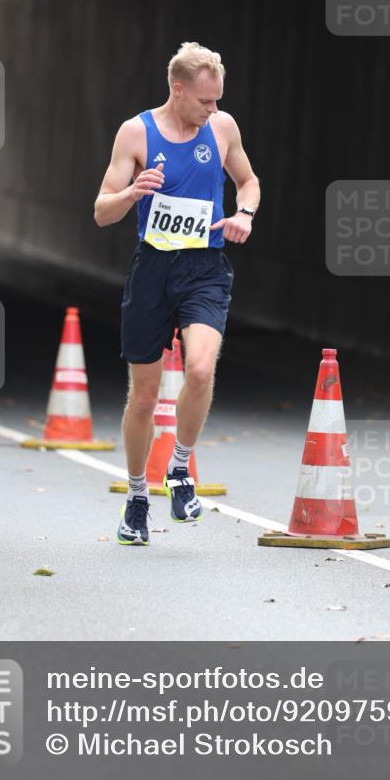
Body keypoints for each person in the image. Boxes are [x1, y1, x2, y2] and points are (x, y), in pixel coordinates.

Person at [94, 42, 260, 546]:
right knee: (144, 396)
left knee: (200, 368)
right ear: (178, 89)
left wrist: (244, 216)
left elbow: (248, 181)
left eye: (218, 101)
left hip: (205, 267)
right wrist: (131, 193)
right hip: (152, 271)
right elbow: (102, 210)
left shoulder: (223, 128)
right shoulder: (136, 132)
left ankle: (181, 468)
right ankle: (138, 498)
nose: (213, 111)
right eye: (205, 102)